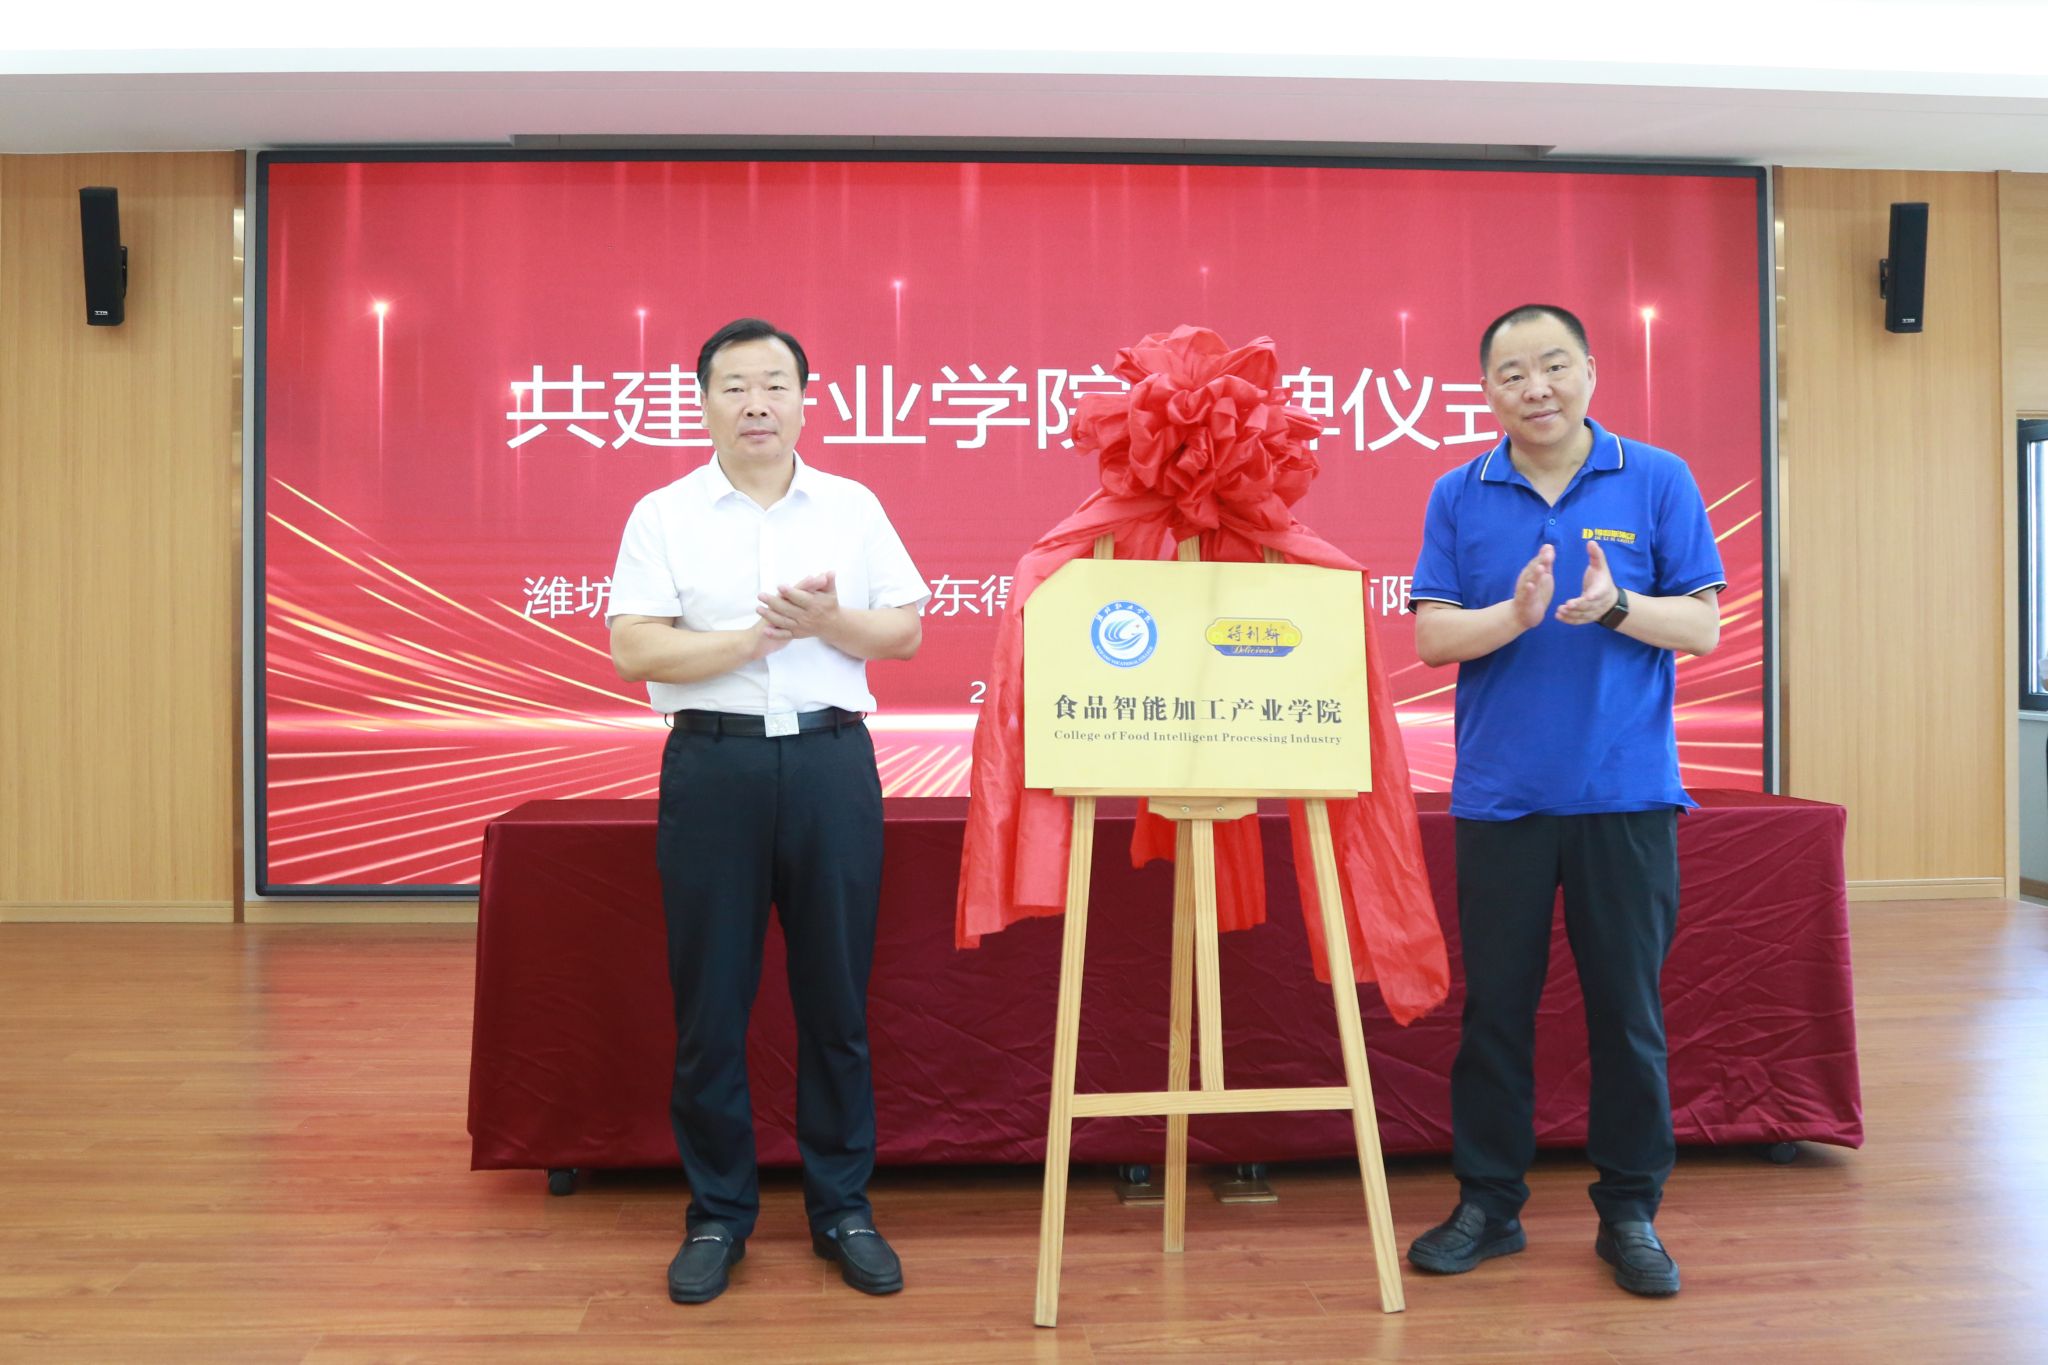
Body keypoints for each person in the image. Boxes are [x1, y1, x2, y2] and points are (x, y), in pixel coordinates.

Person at [1403, 304, 1724, 1297]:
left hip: (1624, 795)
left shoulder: (1656, 477)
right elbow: (1432, 639)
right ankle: (1488, 1204)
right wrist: (1516, 614)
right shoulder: (1458, 492)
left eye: (1551, 365)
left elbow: (1702, 628)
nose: (1534, 387)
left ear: (1588, 371)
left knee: (1627, 1014)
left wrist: (1616, 605)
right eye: (1511, 373)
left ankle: (1629, 1211)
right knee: (1494, 1012)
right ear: (1486, 390)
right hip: (1499, 799)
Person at [607, 317, 928, 1305]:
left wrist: (828, 622)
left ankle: (842, 1209)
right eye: (736, 386)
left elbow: (904, 631)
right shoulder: (663, 513)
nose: (756, 403)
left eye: (775, 384)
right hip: (715, 769)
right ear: (704, 402)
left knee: (836, 1003)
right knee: (710, 1007)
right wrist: (751, 641)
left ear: (804, 400)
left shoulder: (852, 506)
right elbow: (635, 649)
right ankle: (717, 1215)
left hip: (831, 764)